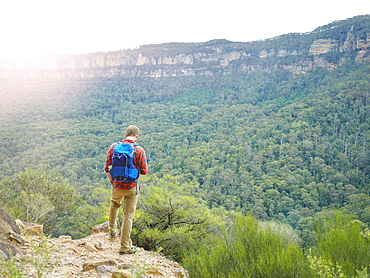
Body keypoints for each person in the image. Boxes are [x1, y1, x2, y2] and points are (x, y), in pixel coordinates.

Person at [104, 125, 148, 255]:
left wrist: (113, 181)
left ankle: (112, 232)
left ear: (126, 134)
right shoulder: (139, 150)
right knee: (128, 216)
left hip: (116, 185)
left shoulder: (113, 147)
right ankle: (124, 247)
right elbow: (144, 171)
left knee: (114, 204)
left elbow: (107, 168)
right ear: (136, 136)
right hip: (131, 187)